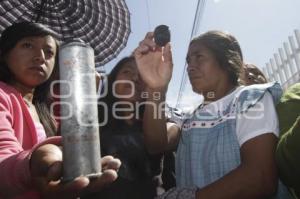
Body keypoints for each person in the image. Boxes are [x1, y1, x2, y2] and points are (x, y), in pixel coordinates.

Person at [134, 30, 292, 198]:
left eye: (199, 56)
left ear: (226, 60)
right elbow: (156, 143)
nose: (190, 66)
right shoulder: (187, 119)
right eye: (188, 60)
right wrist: (156, 89)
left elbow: (260, 178)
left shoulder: (250, 98)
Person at [0, 21, 121, 199]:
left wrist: (85, 98)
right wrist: (32, 164)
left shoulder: (46, 110)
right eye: (28, 45)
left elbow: (72, 144)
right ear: (5, 53)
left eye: (49, 52)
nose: (40, 56)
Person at [83, 56, 175, 199]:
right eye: (127, 72)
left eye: (142, 75)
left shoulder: (165, 124)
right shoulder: (93, 118)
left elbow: (158, 143)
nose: (135, 78)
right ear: (113, 80)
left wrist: (158, 89)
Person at [276, 83, 300, 198]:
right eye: (247, 76)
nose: (253, 76)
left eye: (256, 72)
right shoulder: (291, 98)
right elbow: (288, 167)